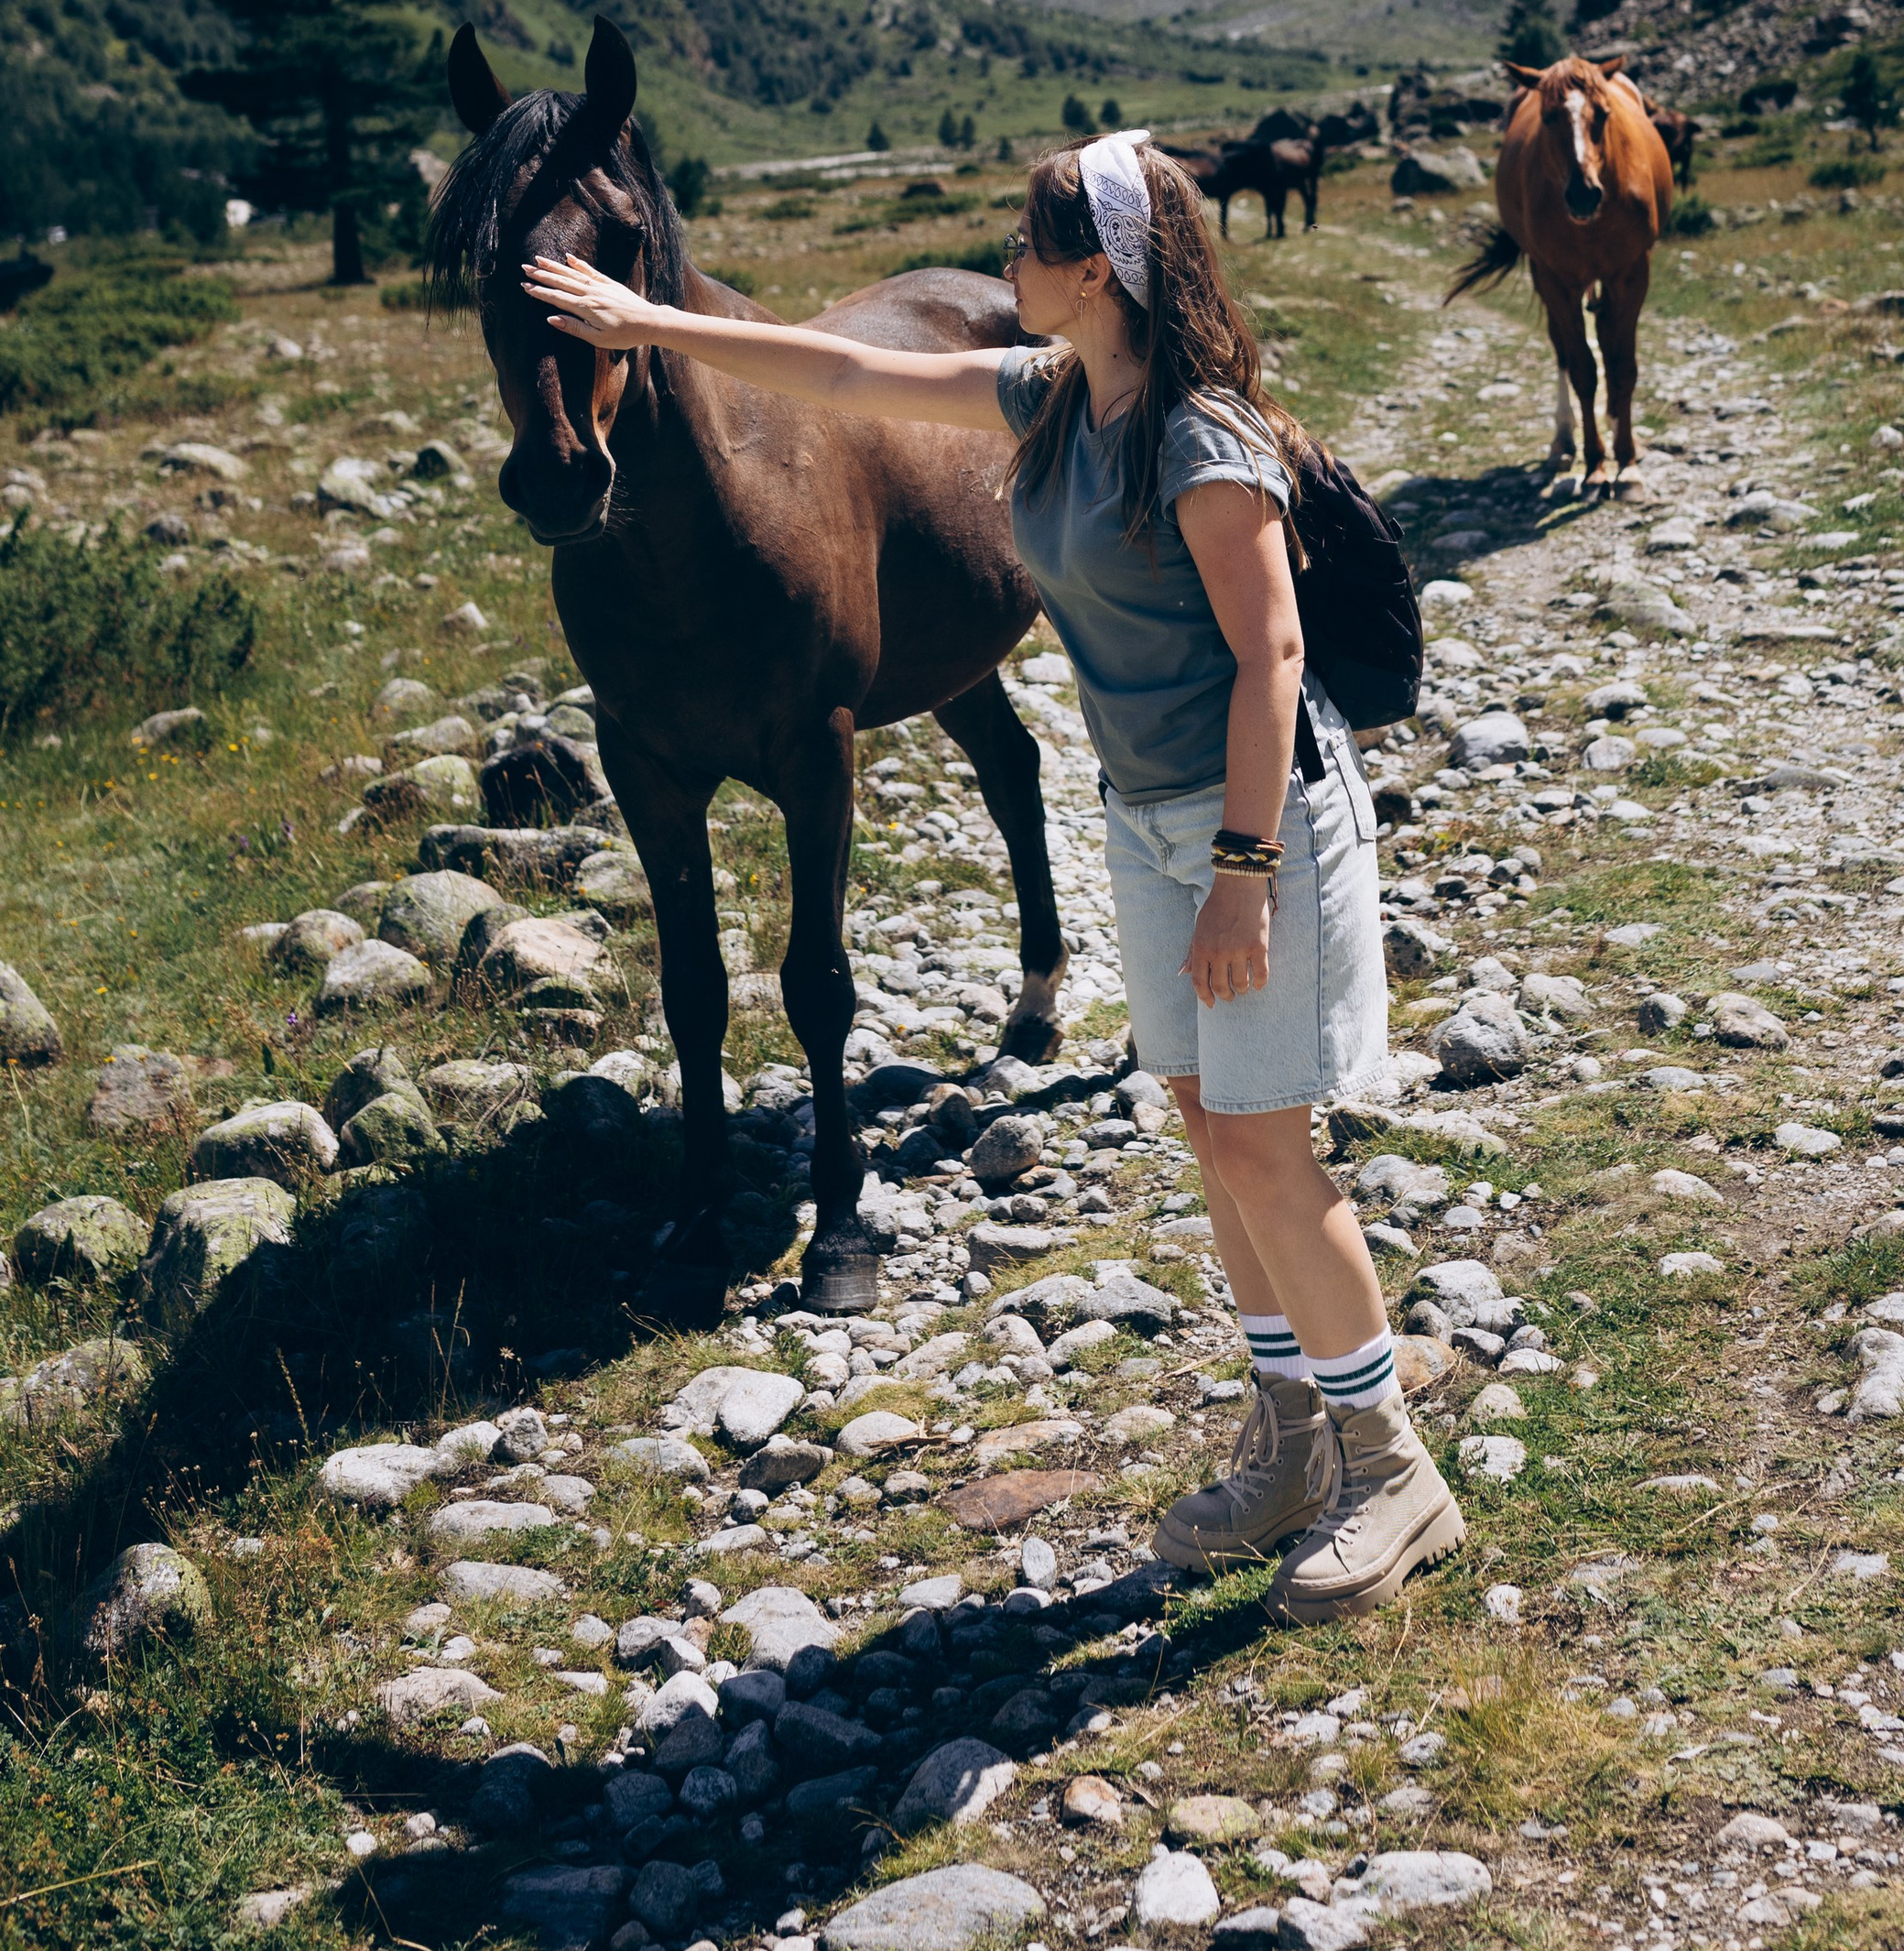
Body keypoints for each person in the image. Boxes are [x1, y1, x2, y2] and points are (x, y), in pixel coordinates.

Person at [525, 129, 1463, 1621]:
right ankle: (1292, 1442)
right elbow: (834, 377)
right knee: (1210, 1129)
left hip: (1250, 826)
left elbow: (1273, 657)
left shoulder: (1202, 439)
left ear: (1095, 274)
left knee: (1270, 1148)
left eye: (1024, 250)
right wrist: (646, 324)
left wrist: (1239, 871)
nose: (1004, 268)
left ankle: (1393, 1466)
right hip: (1151, 824)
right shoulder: (1050, 393)